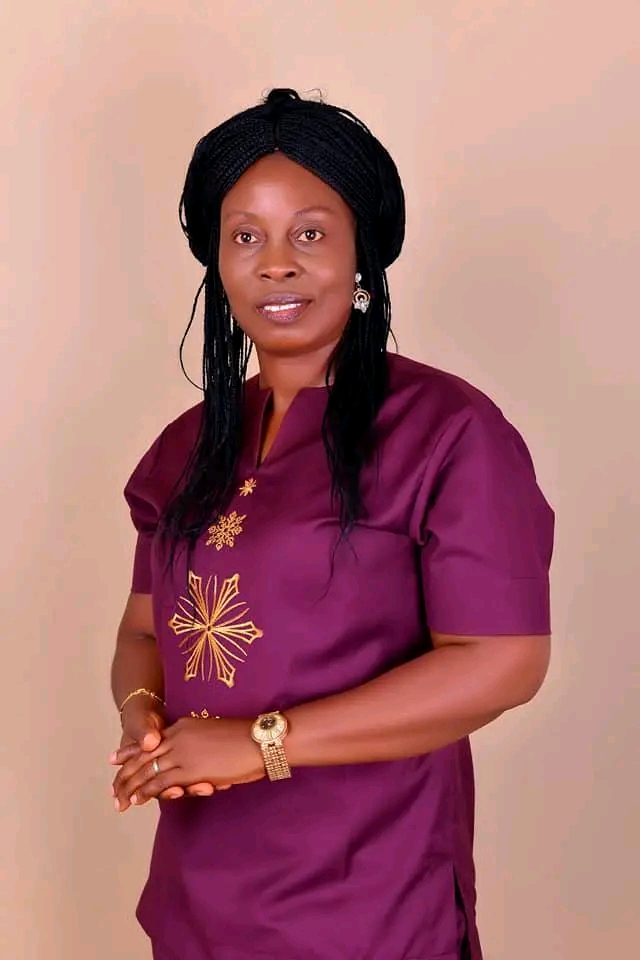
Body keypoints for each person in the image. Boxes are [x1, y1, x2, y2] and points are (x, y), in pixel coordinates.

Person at [109, 88, 554, 960]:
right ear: (216, 260)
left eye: (309, 234)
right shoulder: (186, 445)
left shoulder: (447, 431)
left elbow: (503, 660)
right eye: (246, 237)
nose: (276, 265)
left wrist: (259, 745)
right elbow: (142, 631)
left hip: (369, 903)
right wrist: (144, 723)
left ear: (361, 252)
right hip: (196, 898)